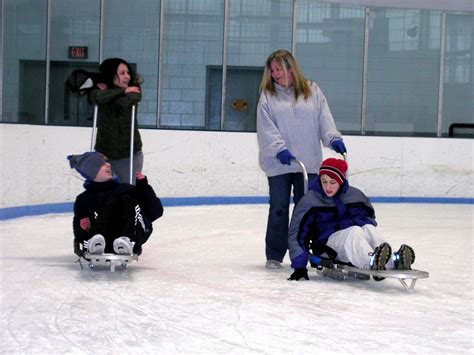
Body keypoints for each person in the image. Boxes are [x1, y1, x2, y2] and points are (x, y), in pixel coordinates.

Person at [257, 49, 347, 269]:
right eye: (272, 70)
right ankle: (275, 254)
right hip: (280, 163)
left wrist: (333, 138)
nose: (275, 74)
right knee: (278, 208)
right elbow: (265, 127)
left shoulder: (312, 90)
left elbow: (324, 120)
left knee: (306, 209)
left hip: (309, 162)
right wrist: (279, 149)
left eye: (278, 69)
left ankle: (306, 251)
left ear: (290, 68)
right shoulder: (268, 95)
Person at [287, 158, 416, 281]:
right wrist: (299, 266)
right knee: (353, 231)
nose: (327, 187)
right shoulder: (310, 201)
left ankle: (393, 261)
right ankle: (372, 262)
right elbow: (297, 234)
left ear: (341, 181)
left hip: (351, 241)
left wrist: (357, 223)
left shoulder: (355, 196)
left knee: (368, 228)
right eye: (324, 181)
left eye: (333, 182)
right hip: (327, 246)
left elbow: (370, 217)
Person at [68, 151, 163, 256]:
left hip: (132, 236)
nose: (109, 165)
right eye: (103, 164)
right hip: (101, 241)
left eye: (108, 162)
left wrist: (144, 189)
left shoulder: (126, 189)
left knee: (125, 200)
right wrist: (83, 229)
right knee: (104, 204)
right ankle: (96, 239)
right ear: (92, 171)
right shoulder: (84, 199)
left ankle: (126, 240)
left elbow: (155, 212)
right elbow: (78, 234)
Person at [89, 58, 144, 184]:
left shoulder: (135, 90)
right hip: (105, 153)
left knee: (127, 192)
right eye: (122, 73)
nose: (127, 77)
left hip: (129, 153)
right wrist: (122, 91)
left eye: (128, 73)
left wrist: (109, 93)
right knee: (105, 192)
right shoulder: (101, 92)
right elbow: (96, 97)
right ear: (111, 75)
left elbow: (124, 103)